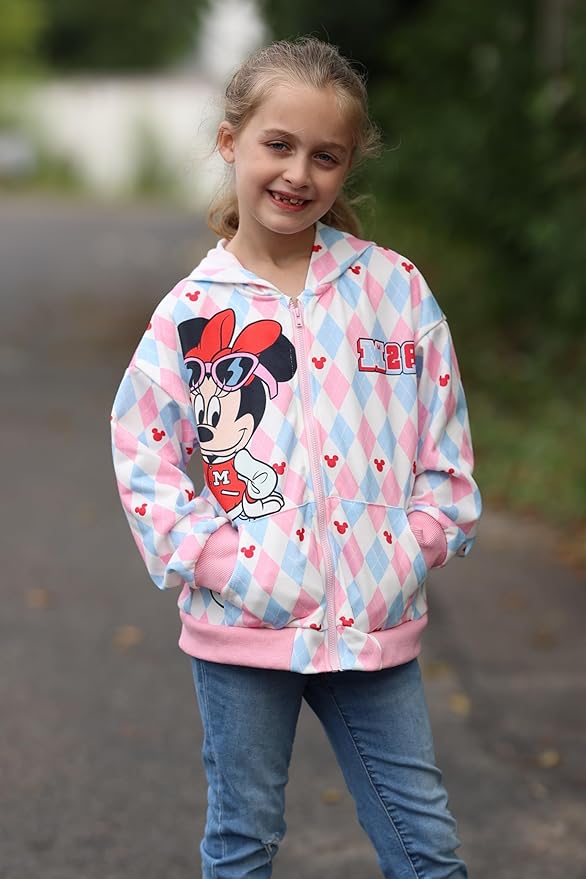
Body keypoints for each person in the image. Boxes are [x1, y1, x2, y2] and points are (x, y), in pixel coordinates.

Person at [111, 36, 482, 879]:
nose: (297, 173)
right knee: (243, 842)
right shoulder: (190, 312)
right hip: (242, 628)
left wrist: (414, 541)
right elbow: (141, 448)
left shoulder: (394, 289)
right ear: (231, 141)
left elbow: (445, 438)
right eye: (278, 144)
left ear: (347, 166)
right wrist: (221, 558)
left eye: (325, 156)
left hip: (372, 625)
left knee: (427, 846)